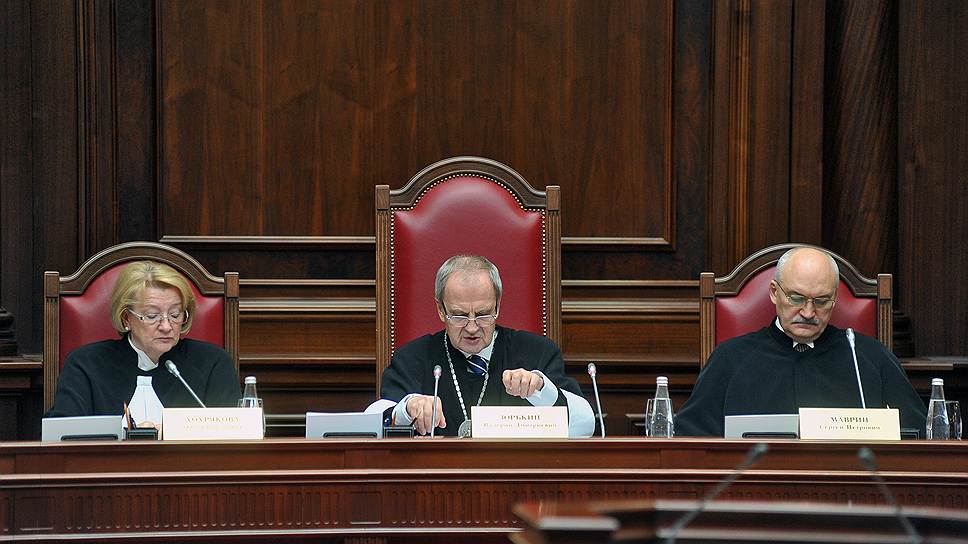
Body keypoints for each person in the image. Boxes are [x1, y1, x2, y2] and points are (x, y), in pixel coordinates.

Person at [675, 246, 926, 437]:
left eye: (821, 301)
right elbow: (692, 441)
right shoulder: (730, 359)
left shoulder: (869, 358)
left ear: (834, 300)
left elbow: (916, 436)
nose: (808, 312)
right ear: (774, 293)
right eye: (796, 298)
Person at [380, 255, 595, 437]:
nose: (472, 327)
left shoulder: (538, 353)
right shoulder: (412, 357)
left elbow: (585, 425)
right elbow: (375, 423)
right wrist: (407, 409)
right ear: (441, 310)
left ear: (497, 307)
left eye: (483, 314)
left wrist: (541, 389)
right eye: (459, 315)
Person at [47, 260, 241, 416]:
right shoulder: (86, 365)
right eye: (151, 316)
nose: (166, 326)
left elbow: (234, 438)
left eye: (175, 315)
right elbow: (61, 436)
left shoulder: (213, 363)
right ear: (126, 318)